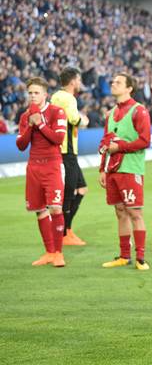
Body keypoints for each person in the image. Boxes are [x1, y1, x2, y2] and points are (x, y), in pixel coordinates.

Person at [99, 73, 152, 271]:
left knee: (134, 212)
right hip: (112, 169)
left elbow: (145, 141)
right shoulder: (111, 113)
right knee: (119, 211)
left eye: (118, 82)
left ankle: (141, 258)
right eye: (113, 82)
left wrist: (120, 147)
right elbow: (106, 143)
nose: (113, 84)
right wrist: (102, 169)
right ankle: (124, 256)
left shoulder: (140, 111)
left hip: (131, 169)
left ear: (129, 88)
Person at [16, 77, 67, 267]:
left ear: (45, 94)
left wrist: (40, 124)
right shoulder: (25, 116)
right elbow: (21, 145)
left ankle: (59, 253)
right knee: (40, 210)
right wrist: (31, 124)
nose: (33, 96)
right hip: (34, 167)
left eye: (36, 92)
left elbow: (58, 138)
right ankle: (49, 252)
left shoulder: (56, 112)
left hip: (52, 165)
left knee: (55, 208)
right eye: (30, 93)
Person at [50, 67, 89, 246]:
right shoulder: (69, 98)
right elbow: (75, 120)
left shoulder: (56, 96)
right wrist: (85, 119)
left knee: (81, 188)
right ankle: (63, 232)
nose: (79, 83)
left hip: (60, 149)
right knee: (70, 190)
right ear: (73, 81)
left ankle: (68, 230)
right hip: (67, 150)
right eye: (79, 80)